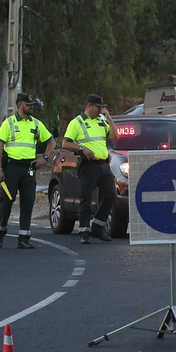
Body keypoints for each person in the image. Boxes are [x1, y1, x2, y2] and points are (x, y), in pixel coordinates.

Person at [0, 92, 54, 249]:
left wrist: (44, 157)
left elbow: (51, 141)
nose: (31, 107)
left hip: (28, 168)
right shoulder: (9, 123)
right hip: (11, 167)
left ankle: (24, 237)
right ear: (20, 105)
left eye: (32, 104)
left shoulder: (36, 124)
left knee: (28, 201)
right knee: (7, 200)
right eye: (28, 104)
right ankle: (1, 230)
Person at [63, 94, 114, 242]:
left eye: (102, 107)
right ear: (89, 106)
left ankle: (98, 227)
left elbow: (115, 136)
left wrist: (108, 117)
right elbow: (66, 143)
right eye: (98, 107)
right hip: (88, 165)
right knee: (86, 197)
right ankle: (84, 231)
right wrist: (81, 148)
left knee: (110, 194)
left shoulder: (102, 121)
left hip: (103, 165)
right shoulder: (77, 122)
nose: (101, 110)